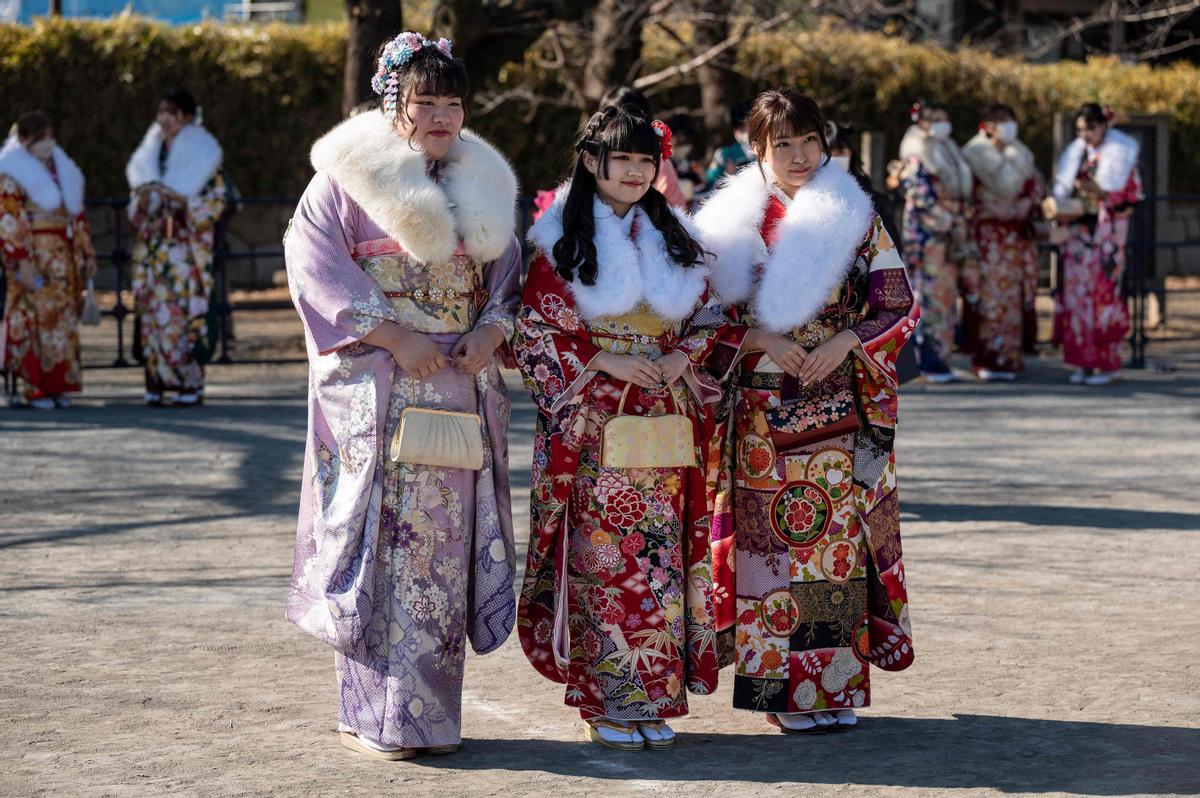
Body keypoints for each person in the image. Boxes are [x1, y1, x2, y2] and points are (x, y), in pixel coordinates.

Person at [283, 31, 521, 760]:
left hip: (455, 384)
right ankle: (377, 713)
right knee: (381, 545)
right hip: (381, 387)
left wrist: (491, 329)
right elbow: (314, 266)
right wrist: (392, 337)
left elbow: (506, 278)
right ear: (395, 107)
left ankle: (427, 716)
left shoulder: (478, 185)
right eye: (426, 102)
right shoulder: (343, 182)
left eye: (454, 103)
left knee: (440, 556)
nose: (442, 116)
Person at [513, 106, 743, 751]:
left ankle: (655, 697)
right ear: (592, 162)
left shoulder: (676, 237)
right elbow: (534, 333)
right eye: (625, 159)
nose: (638, 172)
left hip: (664, 420)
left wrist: (679, 357)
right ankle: (607, 699)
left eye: (648, 161)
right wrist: (604, 358)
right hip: (596, 424)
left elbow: (713, 319)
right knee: (604, 564)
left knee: (661, 559)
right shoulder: (558, 241)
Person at [695, 88, 916, 734]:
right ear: (755, 148)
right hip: (765, 403)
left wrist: (848, 341)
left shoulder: (854, 214)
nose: (798, 156)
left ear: (826, 143)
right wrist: (761, 340)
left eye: (809, 141)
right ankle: (781, 691)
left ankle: (830, 681)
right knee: (771, 550)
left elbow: (897, 302)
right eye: (782, 144)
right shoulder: (731, 221)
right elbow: (699, 318)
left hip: (836, 395)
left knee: (834, 547)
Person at [126, 88, 226, 406]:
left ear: (185, 117)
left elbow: (214, 200)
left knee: (184, 314)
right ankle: (155, 381)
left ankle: (188, 383)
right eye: (161, 113)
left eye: (172, 112)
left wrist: (184, 201)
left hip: (184, 248)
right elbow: (136, 204)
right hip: (154, 247)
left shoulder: (203, 154)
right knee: (154, 313)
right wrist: (141, 202)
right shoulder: (150, 153)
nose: (165, 119)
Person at [0, 111, 95, 409]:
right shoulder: (11, 172)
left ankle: (58, 384)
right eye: (41, 138)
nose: (48, 143)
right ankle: (34, 386)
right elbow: (9, 216)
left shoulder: (61, 169)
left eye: (50, 136)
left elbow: (76, 213)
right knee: (34, 318)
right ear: (24, 140)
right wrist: (21, 260)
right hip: (33, 254)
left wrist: (85, 252)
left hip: (61, 254)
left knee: (62, 320)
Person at [1050, 103, 1141, 386]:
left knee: (1103, 298)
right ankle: (1082, 362)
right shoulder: (1076, 157)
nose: (1085, 134)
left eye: (1091, 127)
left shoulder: (1120, 158)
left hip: (1105, 238)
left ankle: (1107, 365)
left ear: (1104, 126)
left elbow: (1130, 199)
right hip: (1078, 238)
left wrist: (1103, 194)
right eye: (1080, 129)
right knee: (1076, 300)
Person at [961, 103, 1045, 380]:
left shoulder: (1021, 155)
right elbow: (965, 194)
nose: (1006, 126)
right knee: (988, 298)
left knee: (1010, 299)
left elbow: (1036, 188)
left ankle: (1009, 359)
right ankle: (986, 358)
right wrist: (988, 207)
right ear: (987, 125)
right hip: (987, 235)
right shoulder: (973, 156)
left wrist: (1026, 203)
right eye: (999, 121)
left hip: (1014, 237)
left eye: (1009, 120)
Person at [895, 100, 976, 382]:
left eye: (944, 117)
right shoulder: (916, 154)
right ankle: (927, 360)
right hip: (929, 236)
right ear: (922, 123)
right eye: (935, 118)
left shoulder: (948, 150)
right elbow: (920, 199)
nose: (941, 123)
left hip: (948, 234)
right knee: (929, 298)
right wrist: (951, 221)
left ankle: (940, 358)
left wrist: (961, 218)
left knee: (945, 298)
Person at [599, 86, 687, 208]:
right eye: (611, 118)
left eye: (645, 160)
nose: (621, 127)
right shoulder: (595, 156)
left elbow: (676, 212)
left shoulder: (660, 164)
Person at [704, 100, 755, 191]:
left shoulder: (769, 149)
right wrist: (728, 178)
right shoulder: (724, 154)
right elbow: (709, 185)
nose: (748, 132)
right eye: (742, 128)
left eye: (752, 126)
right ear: (734, 131)